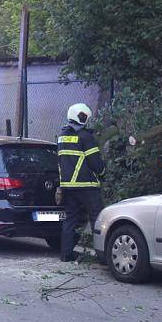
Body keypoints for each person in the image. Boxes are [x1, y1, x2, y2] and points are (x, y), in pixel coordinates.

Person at [57, 103, 105, 262]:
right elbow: (96, 163)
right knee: (97, 218)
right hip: (87, 186)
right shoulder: (85, 137)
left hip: (68, 186)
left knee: (70, 219)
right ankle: (102, 256)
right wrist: (103, 172)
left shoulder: (62, 137)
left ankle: (66, 254)